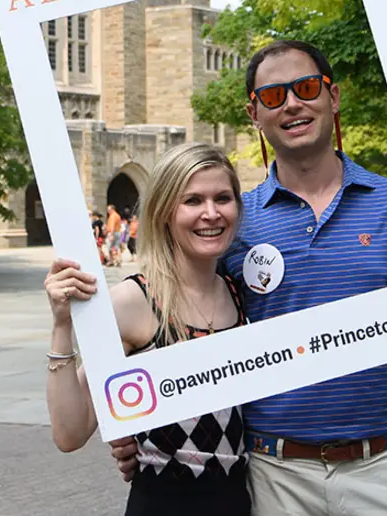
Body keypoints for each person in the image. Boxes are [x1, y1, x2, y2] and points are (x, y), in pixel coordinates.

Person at [100, 40, 387, 516]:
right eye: (273, 96)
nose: (292, 103)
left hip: (385, 469)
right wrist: (138, 424)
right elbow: (185, 329)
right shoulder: (232, 225)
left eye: (307, 88)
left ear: (333, 97)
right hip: (274, 476)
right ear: (254, 114)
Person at [45, 143, 252, 516]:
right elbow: (70, 432)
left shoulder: (240, 294)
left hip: (238, 503)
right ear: (164, 211)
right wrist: (62, 326)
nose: (211, 213)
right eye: (192, 200)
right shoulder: (134, 301)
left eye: (222, 198)